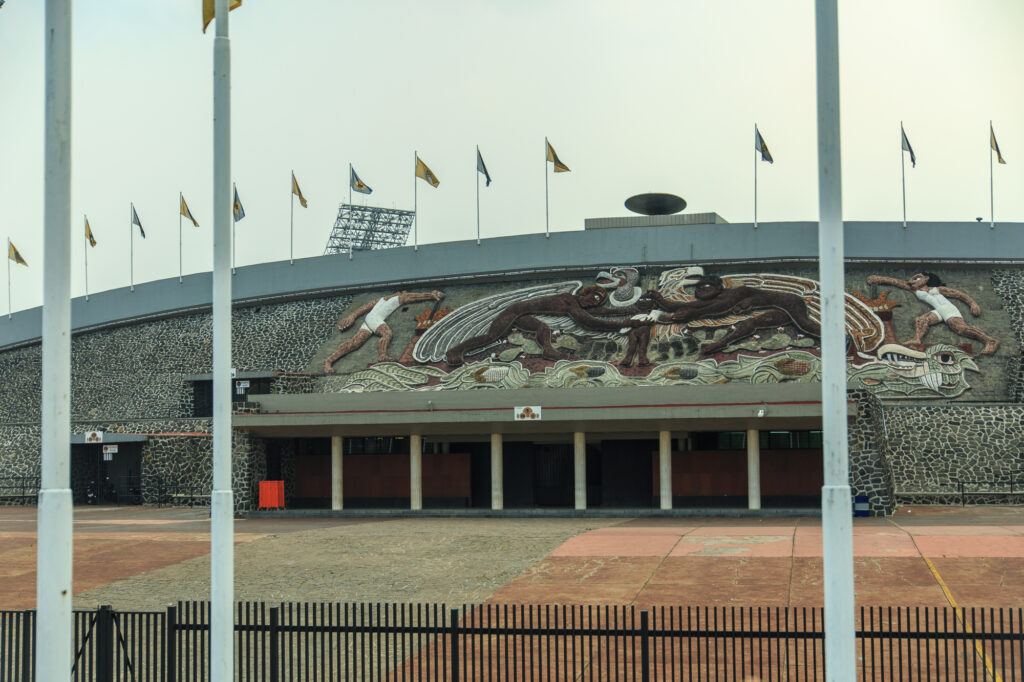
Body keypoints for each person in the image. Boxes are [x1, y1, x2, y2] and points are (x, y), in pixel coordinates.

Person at [444, 286, 643, 366]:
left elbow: (604, 313)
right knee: (490, 337)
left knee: (542, 328)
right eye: (594, 297)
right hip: (514, 312)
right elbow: (589, 321)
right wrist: (622, 326)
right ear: (585, 293)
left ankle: (548, 351)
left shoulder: (580, 304)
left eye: (598, 301)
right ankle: (455, 351)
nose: (595, 302)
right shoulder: (569, 301)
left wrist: (633, 309)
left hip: (525, 315)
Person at [866, 272, 998, 355]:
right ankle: (917, 339)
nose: (913, 281)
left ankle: (990, 341)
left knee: (960, 329)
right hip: (938, 311)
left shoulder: (937, 289)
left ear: (926, 278)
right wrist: (879, 279)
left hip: (948, 309)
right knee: (921, 320)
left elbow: (958, 294)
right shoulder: (916, 291)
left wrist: (973, 303)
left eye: (917, 278)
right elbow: (898, 283)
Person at [324, 290, 445, 372]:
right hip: (373, 319)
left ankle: (329, 361)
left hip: (369, 321)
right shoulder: (397, 298)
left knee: (354, 343)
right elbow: (413, 297)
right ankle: (382, 355)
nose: (405, 294)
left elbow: (364, 308)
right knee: (387, 333)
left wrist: (353, 316)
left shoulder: (382, 299)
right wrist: (431, 294)